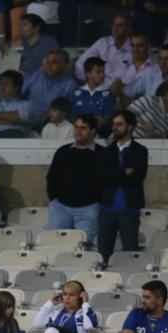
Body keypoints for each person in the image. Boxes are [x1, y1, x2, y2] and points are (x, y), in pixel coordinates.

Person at [98, 110, 147, 268]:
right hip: (107, 208)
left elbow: (136, 178)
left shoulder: (140, 151)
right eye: (114, 124)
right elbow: (104, 177)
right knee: (103, 252)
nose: (115, 127)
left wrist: (115, 174)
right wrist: (124, 172)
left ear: (130, 127)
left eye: (119, 124)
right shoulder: (107, 151)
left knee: (130, 251)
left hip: (130, 207)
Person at [46, 115, 103, 245]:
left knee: (83, 249)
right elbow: (52, 177)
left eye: (83, 128)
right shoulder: (63, 151)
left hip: (89, 209)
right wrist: (53, 198)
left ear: (93, 131)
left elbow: (107, 182)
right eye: (76, 127)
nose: (78, 131)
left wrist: (98, 202)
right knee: (55, 245)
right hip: (60, 208)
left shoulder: (102, 154)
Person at [32, 279, 98, 333]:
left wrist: (85, 303)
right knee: (50, 331)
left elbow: (90, 326)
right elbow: (37, 324)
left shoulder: (85, 313)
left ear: (80, 297)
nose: (67, 298)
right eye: (65, 294)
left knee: (51, 331)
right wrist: (50, 303)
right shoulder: (57, 312)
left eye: (72, 295)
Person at [75, 12, 131, 83]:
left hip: (122, 89)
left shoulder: (135, 47)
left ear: (128, 28)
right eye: (114, 25)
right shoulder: (103, 43)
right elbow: (80, 64)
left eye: (120, 25)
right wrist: (89, 80)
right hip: (99, 87)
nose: (115, 28)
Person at [23, 49, 76, 123]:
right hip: (25, 118)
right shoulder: (37, 75)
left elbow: (67, 113)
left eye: (54, 62)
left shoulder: (69, 85)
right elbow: (19, 93)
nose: (49, 65)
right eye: (47, 62)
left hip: (49, 123)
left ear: (65, 65)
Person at [71, 58, 115, 131]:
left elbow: (108, 119)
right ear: (88, 74)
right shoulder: (76, 93)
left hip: (100, 135)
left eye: (103, 72)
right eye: (98, 72)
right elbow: (72, 118)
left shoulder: (108, 94)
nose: (102, 75)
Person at [112, 32, 156, 105]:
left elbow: (150, 98)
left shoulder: (155, 68)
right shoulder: (123, 64)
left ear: (148, 46)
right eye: (132, 45)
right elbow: (113, 88)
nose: (135, 49)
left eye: (140, 46)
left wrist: (121, 92)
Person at [17, 12, 57, 81]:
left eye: (24, 25)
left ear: (36, 28)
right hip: (23, 80)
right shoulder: (19, 44)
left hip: (45, 79)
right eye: (20, 25)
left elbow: (57, 64)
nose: (21, 28)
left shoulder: (49, 42)